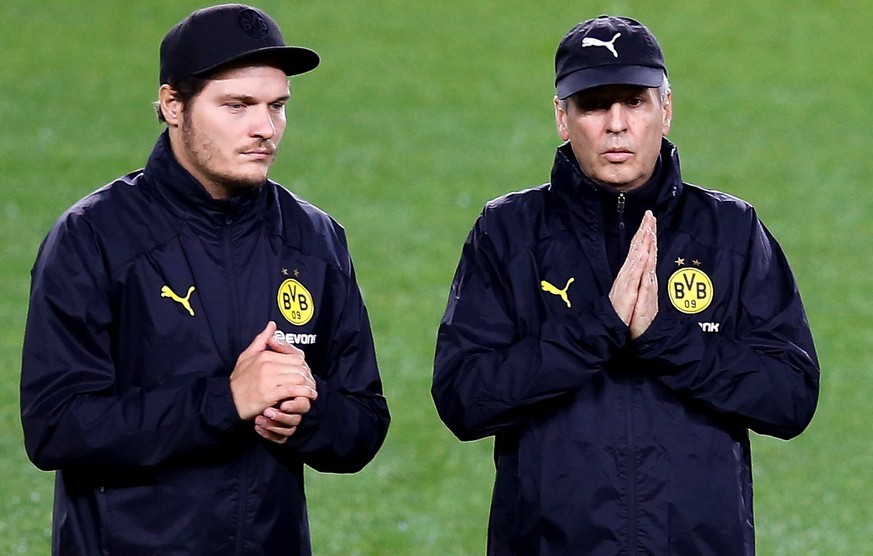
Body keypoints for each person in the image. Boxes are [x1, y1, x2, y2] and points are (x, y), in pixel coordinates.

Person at [432, 15, 819, 555]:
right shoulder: (509, 234)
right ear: (562, 119)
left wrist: (664, 338)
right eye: (593, 104)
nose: (616, 124)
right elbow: (463, 400)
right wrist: (598, 329)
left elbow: (791, 398)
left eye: (634, 101)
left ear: (665, 109)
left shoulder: (729, 232)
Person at [20, 4, 389, 555]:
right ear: (173, 105)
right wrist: (225, 401)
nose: (265, 128)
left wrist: (307, 414)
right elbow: (56, 425)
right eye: (237, 105)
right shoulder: (93, 237)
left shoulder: (314, 239)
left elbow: (362, 425)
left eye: (277, 106)